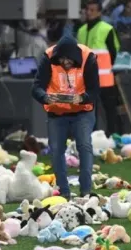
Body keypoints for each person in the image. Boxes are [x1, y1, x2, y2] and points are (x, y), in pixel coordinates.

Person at [31, 35, 99, 200]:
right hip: (56, 112)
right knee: (56, 151)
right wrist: (45, 97)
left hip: (82, 111)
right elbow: (36, 87)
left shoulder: (88, 57)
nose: (65, 62)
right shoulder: (48, 57)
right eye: (61, 59)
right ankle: (64, 192)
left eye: (69, 59)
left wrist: (82, 98)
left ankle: (86, 191)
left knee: (84, 146)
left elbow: (95, 91)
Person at [76, 0, 122, 137]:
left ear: (99, 12)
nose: (89, 13)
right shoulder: (81, 30)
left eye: (92, 10)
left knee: (110, 109)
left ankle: (112, 134)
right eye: (87, 10)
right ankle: (93, 135)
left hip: (105, 78)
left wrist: (113, 69)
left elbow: (115, 51)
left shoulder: (107, 29)